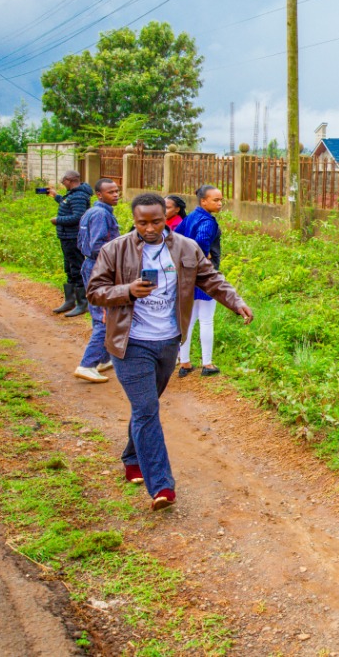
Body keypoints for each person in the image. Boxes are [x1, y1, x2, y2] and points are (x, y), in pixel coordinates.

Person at [87, 193, 252, 509]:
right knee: (147, 409)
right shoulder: (115, 249)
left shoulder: (186, 248)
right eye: (142, 223)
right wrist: (127, 291)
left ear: (167, 218)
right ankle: (162, 486)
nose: (149, 229)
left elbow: (211, 278)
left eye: (156, 221)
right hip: (130, 343)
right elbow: (94, 291)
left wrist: (236, 301)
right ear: (134, 221)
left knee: (145, 407)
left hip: (168, 343)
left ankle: (132, 456)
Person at [73, 178, 121, 384]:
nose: (116, 195)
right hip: (100, 268)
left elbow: (81, 242)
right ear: (99, 195)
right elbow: (97, 246)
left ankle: (103, 359)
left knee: (99, 314)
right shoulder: (101, 214)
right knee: (105, 317)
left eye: (117, 191)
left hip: (90, 266)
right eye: (111, 192)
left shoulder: (92, 212)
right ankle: (87, 364)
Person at [175, 185, 226, 378]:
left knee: (188, 320)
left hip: (187, 275)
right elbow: (201, 242)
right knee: (206, 319)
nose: (220, 204)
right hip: (204, 275)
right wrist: (205, 258)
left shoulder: (191, 217)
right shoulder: (207, 221)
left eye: (221, 200)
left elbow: (175, 236)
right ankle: (207, 363)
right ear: (203, 201)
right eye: (216, 200)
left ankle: (185, 362)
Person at [49, 171, 93, 316]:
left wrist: (58, 220)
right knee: (69, 268)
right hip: (66, 237)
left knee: (77, 269)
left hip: (73, 237)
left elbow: (78, 216)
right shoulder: (73, 194)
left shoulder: (79, 196)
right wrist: (56, 196)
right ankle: (70, 301)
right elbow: (67, 204)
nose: (63, 183)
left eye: (63, 181)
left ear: (70, 180)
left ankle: (82, 303)